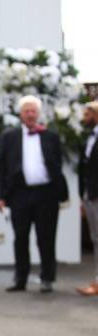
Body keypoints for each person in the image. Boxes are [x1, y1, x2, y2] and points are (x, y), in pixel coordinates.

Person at [0, 95, 68, 293]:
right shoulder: (9, 136)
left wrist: (60, 191)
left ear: (39, 113)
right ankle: (20, 279)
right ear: (20, 114)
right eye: (27, 110)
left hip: (46, 194)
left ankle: (47, 279)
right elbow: (0, 168)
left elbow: (57, 165)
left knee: (46, 237)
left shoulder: (51, 136)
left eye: (33, 110)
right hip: (19, 194)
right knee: (20, 237)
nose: (30, 114)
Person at [76, 101, 98, 296]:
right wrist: (83, 196)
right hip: (91, 196)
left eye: (88, 113)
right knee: (96, 239)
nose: (85, 117)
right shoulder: (90, 137)